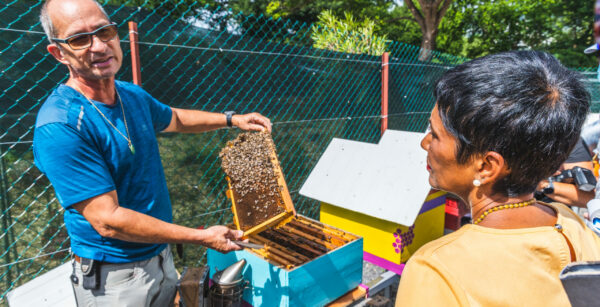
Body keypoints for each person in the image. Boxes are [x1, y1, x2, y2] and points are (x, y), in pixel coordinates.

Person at [33, 0, 271, 305]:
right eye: (80, 39)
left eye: (104, 32)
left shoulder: (130, 94)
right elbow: (108, 220)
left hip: (160, 254)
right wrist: (201, 236)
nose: (98, 46)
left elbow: (175, 118)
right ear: (59, 53)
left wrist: (231, 119)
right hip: (114, 277)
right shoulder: (61, 125)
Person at [396, 51, 600, 306]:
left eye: (435, 135)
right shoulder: (571, 224)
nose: (424, 142)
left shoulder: (435, 269)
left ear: (487, 166)